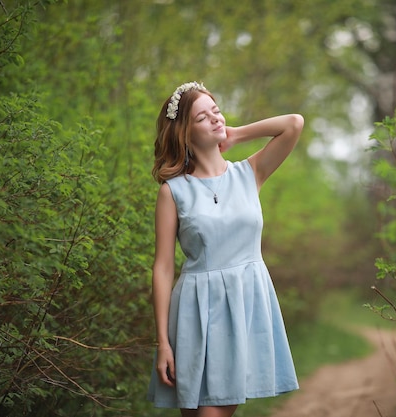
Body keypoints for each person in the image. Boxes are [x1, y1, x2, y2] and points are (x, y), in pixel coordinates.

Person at [147, 81, 303, 417]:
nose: (216, 119)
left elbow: (294, 123)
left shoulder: (250, 172)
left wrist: (237, 134)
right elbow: (162, 268)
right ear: (185, 134)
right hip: (195, 310)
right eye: (203, 117)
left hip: (245, 303)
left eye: (216, 111)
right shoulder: (173, 192)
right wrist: (163, 343)